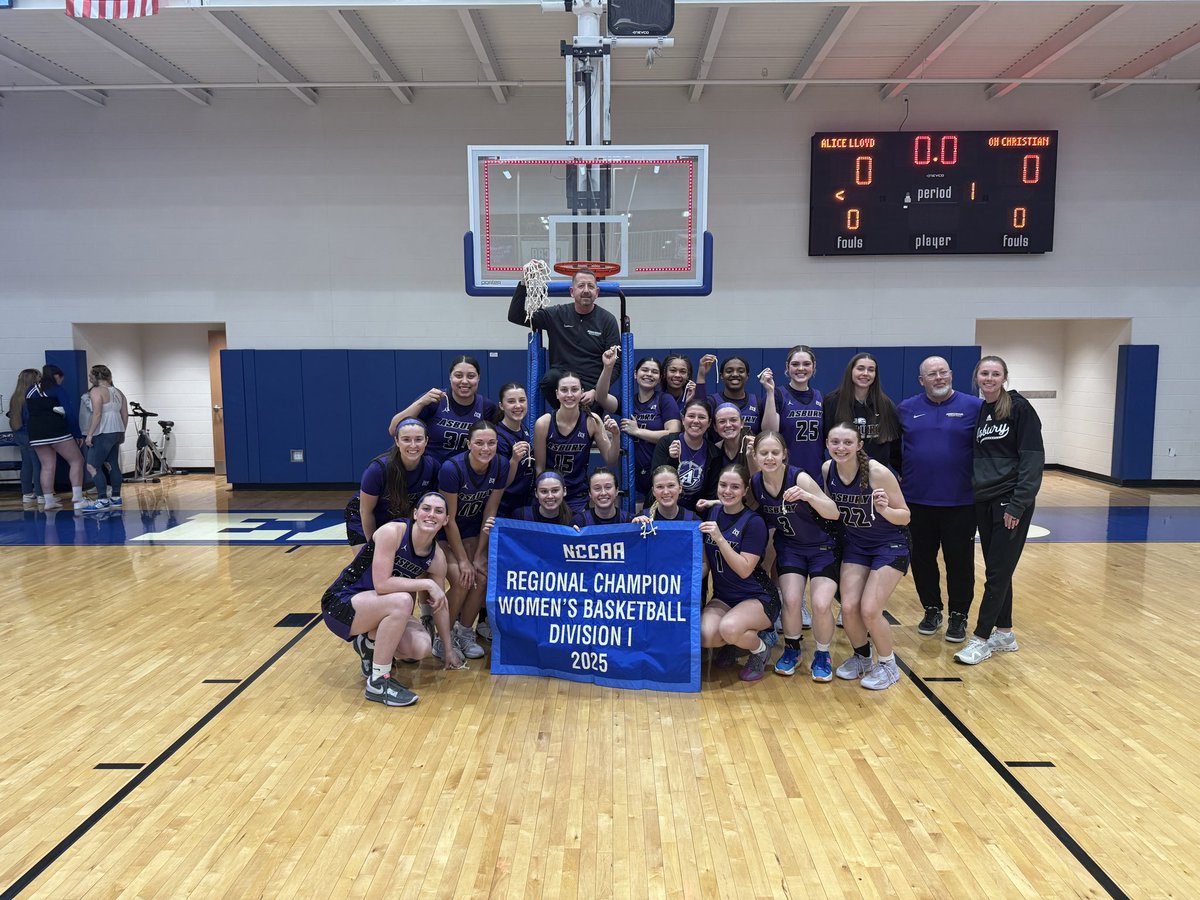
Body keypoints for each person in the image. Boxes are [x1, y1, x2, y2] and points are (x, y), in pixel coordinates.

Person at [320, 491, 464, 708]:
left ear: (445, 520)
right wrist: (426, 584)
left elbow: (440, 605)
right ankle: (379, 682)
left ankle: (369, 643)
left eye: (438, 511)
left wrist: (448, 649)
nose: (431, 515)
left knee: (421, 647)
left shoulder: (437, 558)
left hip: (378, 608)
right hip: (342, 603)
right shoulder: (392, 532)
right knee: (403, 601)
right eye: (426, 509)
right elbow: (382, 584)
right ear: (415, 513)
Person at [955, 355, 1045, 666]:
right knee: (999, 569)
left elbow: (1033, 460)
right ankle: (1004, 633)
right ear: (976, 377)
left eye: (995, 374)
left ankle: (980, 639)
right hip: (984, 498)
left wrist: (1018, 504)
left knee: (996, 572)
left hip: (1009, 500)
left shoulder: (1019, 409)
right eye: (984, 373)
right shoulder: (983, 410)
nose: (989, 378)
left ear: (1004, 377)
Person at [898, 356, 983, 643]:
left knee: (959, 562)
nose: (938, 378)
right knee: (922, 560)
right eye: (931, 374)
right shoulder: (906, 409)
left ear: (951, 374)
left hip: (961, 502)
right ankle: (931, 609)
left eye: (942, 372)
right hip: (917, 501)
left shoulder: (974, 406)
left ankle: (959, 615)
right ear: (921, 380)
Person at [824, 421, 912, 690]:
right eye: (835, 442)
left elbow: (905, 516)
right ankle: (862, 657)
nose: (841, 448)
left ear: (859, 445)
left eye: (848, 442)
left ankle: (888, 665)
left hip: (890, 545)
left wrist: (884, 510)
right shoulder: (828, 469)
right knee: (848, 608)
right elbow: (831, 510)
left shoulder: (877, 473)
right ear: (827, 445)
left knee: (870, 609)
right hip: (856, 546)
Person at [750, 432, 841, 681]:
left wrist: (808, 496)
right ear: (756, 457)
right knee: (790, 600)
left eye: (775, 453)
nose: (769, 457)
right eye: (764, 453)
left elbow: (833, 513)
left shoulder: (799, 477)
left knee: (821, 604)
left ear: (784, 455)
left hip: (822, 548)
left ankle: (822, 654)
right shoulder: (756, 483)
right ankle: (792, 649)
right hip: (791, 548)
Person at [697, 465, 782, 683]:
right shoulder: (714, 511)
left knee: (729, 628)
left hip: (757, 596)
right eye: (723, 485)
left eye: (735, 487)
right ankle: (733, 642)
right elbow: (707, 558)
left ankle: (760, 648)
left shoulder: (754, 523)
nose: (727, 491)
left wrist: (720, 539)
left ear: (745, 491)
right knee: (704, 635)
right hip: (724, 597)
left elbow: (745, 570)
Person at [436, 420, 509, 661]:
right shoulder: (451, 469)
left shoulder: (500, 465)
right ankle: (441, 636)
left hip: (474, 532)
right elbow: (449, 519)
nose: (485, 448)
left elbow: (491, 510)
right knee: (462, 577)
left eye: (491, 443)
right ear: (469, 444)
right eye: (479, 443)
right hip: (445, 533)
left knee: (483, 574)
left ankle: (465, 632)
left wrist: (478, 555)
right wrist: (463, 560)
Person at [507, 268, 620, 412]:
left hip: (591, 390)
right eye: (581, 286)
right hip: (562, 384)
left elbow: (616, 365)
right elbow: (515, 316)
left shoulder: (607, 320)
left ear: (597, 292)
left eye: (590, 286)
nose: (586, 290)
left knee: (588, 426)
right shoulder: (557, 314)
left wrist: (597, 392)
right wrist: (524, 282)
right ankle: (565, 415)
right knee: (549, 379)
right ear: (572, 292)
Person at [533, 371, 620, 513]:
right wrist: (544, 495)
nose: (569, 395)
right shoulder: (543, 423)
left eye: (574, 390)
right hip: (551, 493)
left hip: (578, 496)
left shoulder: (592, 420)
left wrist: (616, 435)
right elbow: (539, 469)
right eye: (564, 390)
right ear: (557, 394)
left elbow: (611, 460)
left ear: (582, 393)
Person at [390, 355, 497, 468]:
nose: (465, 381)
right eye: (458, 375)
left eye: (471, 376)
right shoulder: (434, 400)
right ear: (450, 377)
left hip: (463, 475)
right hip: (429, 473)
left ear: (478, 378)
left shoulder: (486, 407)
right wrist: (421, 402)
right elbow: (393, 429)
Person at [345, 418, 437, 547]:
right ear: (397, 441)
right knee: (371, 565)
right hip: (363, 517)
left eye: (418, 439)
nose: (413, 445)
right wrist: (373, 547)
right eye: (406, 439)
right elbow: (366, 512)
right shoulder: (378, 469)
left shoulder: (431, 466)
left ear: (426, 441)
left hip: (397, 517)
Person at [822, 353, 902, 470]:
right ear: (851, 371)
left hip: (876, 473)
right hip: (843, 473)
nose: (865, 373)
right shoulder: (832, 402)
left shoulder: (886, 405)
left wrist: (900, 471)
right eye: (860, 368)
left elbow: (895, 446)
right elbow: (825, 440)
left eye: (871, 370)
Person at [760, 345, 825, 482]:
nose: (801, 368)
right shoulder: (777, 394)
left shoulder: (820, 397)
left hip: (815, 471)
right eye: (795, 364)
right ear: (787, 367)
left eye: (806, 364)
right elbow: (769, 432)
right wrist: (770, 392)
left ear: (813, 366)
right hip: (785, 472)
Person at [25, 365, 85, 510]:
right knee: (77, 460)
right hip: (57, 430)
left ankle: (49, 502)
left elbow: (27, 413)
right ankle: (77, 498)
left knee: (47, 466)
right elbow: (69, 413)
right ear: (57, 376)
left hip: (36, 432)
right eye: (61, 379)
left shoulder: (30, 390)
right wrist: (77, 433)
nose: (61, 382)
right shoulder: (57, 390)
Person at [621, 357, 681, 499]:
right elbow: (602, 398)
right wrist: (608, 367)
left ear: (660, 378)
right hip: (632, 472)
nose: (649, 374)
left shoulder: (665, 399)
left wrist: (637, 431)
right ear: (635, 374)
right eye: (645, 370)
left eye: (654, 372)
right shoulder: (628, 401)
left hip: (659, 470)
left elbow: (673, 434)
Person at [648, 399, 722, 510]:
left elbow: (710, 493)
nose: (696, 421)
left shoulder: (714, 453)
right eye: (691, 416)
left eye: (701, 417)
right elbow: (655, 480)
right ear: (683, 419)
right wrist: (672, 460)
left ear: (709, 423)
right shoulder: (666, 442)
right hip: (661, 509)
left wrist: (702, 507)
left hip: (693, 515)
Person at [77, 365, 129, 513]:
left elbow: (97, 414)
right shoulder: (119, 392)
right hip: (117, 430)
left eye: (90, 375)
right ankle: (116, 497)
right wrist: (122, 431)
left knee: (92, 466)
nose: (89, 378)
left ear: (96, 377)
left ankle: (101, 500)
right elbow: (125, 415)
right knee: (112, 464)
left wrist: (89, 434)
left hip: (103, 432)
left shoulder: (96, 391)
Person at [493, 383, 535, 518]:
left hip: (525, 500)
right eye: (511, 401)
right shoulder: (498, 438)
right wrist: (514, 460)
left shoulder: (523, 428)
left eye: (522, 400)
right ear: (501, 405)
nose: (518, 406)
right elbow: (501, 483)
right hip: (505, 505)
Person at [699, 356, 763, 436]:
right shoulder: (712, 401)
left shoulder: (757, 402)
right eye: (729, 371)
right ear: (721, 376)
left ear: (747, 376)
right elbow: (699, 409)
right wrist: (701, 376)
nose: (735, 374)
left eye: (741, 371)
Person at [7, 368, 43, 505]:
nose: (41, 380)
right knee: (37, 464)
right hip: (30, 434)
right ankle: (41, 494)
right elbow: (30, 418)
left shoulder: (15, 396)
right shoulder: (31, 396)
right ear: (33, 380)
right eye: (39, 377)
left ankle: (27, 493)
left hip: (18, 433)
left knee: (26, 464)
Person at [633, 466, 699, 525]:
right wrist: (633, 528)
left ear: (680, 489)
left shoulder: (693, 520)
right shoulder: (642, 520)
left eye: (671, 486)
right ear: (653, 491)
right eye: (660, 486)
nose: (666, 492)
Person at [508, 470, 574, 525]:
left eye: (555, 490)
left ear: (564, 491)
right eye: (544, 491)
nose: (550, 496)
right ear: (536, 493)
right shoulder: (521, 516)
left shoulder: (574, 520)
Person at [712, 402, 758, 475]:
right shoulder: (715, 450)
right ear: (715, 427)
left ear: (742, 424)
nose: (728, 425)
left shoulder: (754, 446)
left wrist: (751, 458)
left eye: (733, 420)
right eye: (722, 421)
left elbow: (759, 482)